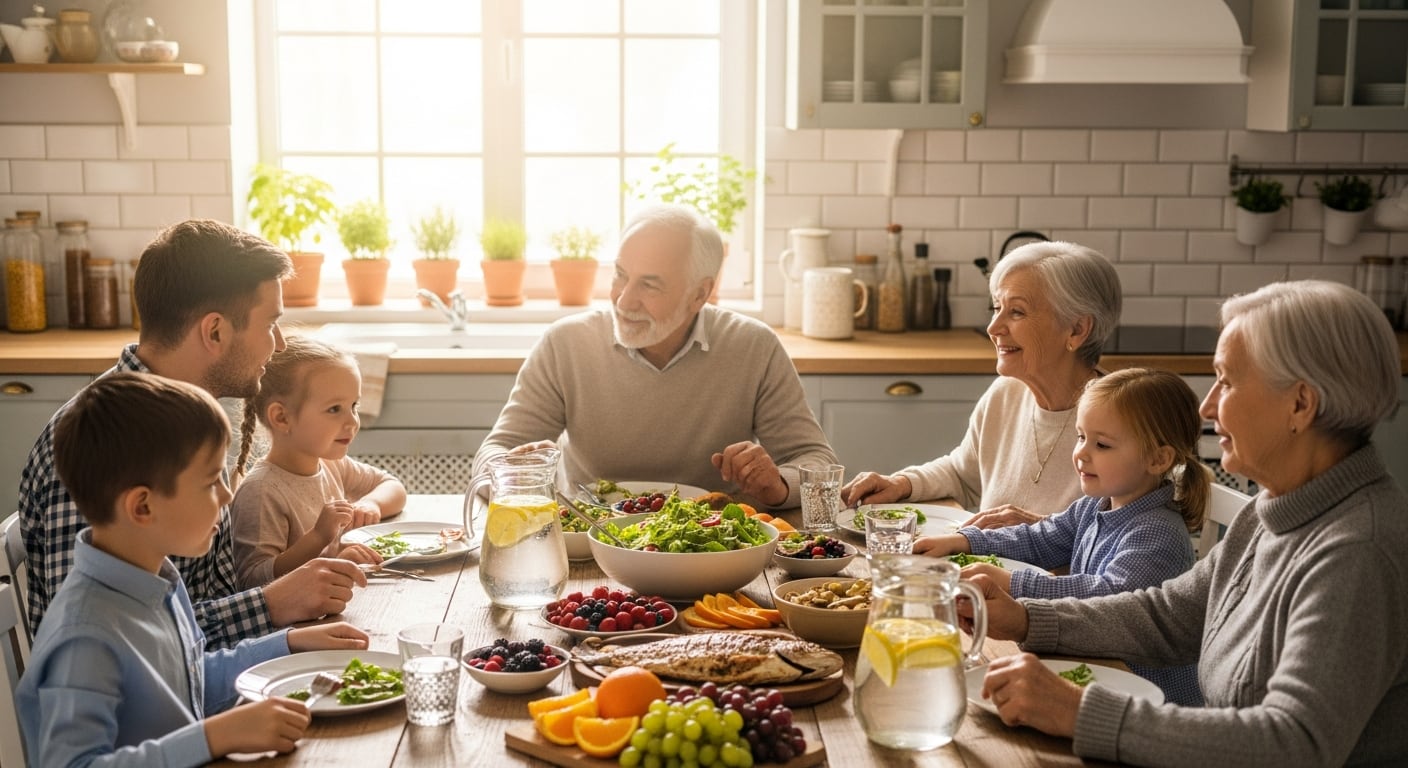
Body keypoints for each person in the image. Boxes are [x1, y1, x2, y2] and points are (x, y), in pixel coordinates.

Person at [963, 280, 1408, 766]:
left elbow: (1294, 742)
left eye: (1227, 381)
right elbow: (1170, 615)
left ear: (1299, 405)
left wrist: (1080, 712)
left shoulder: (1356, 551)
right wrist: (1025, 616)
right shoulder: (1276, 508)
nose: (1208, 406)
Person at [17, 219, 368, 647]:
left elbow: (201, 603)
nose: (278, 344)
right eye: (270, 323)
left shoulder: (189, 420)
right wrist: (270, 604)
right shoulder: (100, 443)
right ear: (215, 331)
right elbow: (107, 643)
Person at [17, 372, 371, 766]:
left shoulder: (155, 579)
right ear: (143, 507)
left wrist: (286, 644)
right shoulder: (85, 635)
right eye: (209, 484)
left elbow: (190, 678)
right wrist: (214, 736)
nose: (226, 496)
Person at [472, 204, 837, 509]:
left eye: (649, 284)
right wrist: (509, 473)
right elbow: (493, 453)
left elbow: (818, 463)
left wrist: (780, 485)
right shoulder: (565, 344)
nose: (624, 299)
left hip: (712, 545)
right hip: (594, 541)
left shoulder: (753, 346)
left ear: (699, 295)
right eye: (620, 275)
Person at [915, 367, 1208, 706]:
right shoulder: (1094, 506)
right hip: (1095, 670)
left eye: (1101, 444)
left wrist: (1013, 584)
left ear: (1159, 459)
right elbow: (1039, 539)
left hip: (1146, 702)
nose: (1082, 453)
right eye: (1081, 436)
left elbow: (1109, 596)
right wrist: (964, 541)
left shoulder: (1158, 533)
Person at [842, 240, 1122, 528]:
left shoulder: (1122, 419)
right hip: (990, 570)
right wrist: (902, 483)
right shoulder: (1007, 392)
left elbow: (1134, 536)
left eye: (1017, 312)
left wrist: (1041, 530)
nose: (993, 328)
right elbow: (962, 474)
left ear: (1077, 330)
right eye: (997, 307)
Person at [232, 335, 406, 588]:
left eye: (353, 406)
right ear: (281, 418)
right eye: (335, 409)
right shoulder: (261, 491)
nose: (352, 422)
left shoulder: (331, 464)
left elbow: (392, 486)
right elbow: (253, 582)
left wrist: (371, 504)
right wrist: (318, 537)